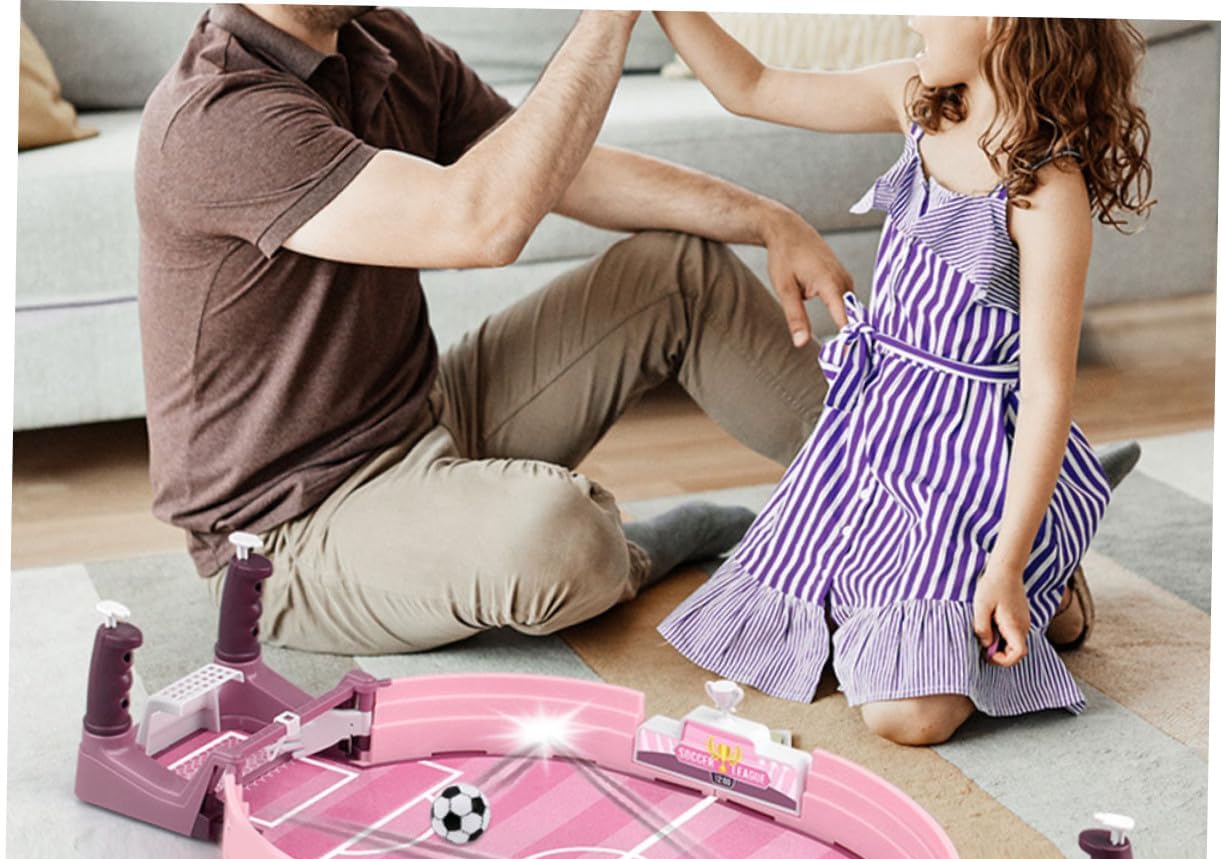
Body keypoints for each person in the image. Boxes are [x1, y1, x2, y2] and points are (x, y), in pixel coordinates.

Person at [135, 4, 858, 655]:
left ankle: (885, 500)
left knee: (677, 272)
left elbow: (557, 169)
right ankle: (631, 552)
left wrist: (768, 220)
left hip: (421, 414)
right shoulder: (217, 114)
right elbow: (480, 222)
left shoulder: (383, 43)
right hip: (287, 531)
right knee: (558, 534)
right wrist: (607, 17)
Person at [656, 15, 1153, 746]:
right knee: (788, 629)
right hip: (872, 432)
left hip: (969, 464)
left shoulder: (1048, 190)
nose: (911, 16)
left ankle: (1046, 565)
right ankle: (1011, 550)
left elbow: (1048, 392)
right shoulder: (917, 97)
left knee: (907, 715)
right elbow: (748, 86)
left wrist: (1007, 566)